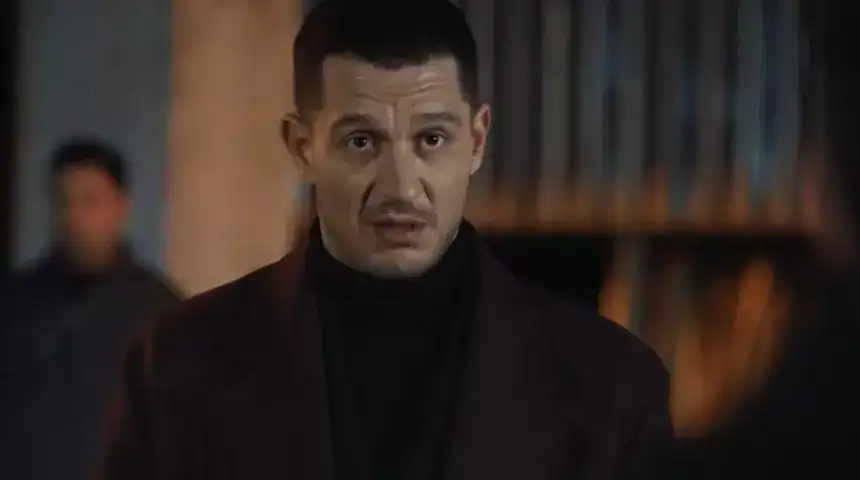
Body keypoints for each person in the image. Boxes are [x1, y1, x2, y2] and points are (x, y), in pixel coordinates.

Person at [98, 1, 672, 479]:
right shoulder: (174, 367)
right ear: (302, 147)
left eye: (431, 139)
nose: (401, 187)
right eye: (361, 142)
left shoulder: (612, 386)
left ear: (476, 141)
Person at [0, 138, 181, 480]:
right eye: (62, 201)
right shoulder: (16, 302)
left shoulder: (160, 311)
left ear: (120, 207)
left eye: (90, 201)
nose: (75, 218)